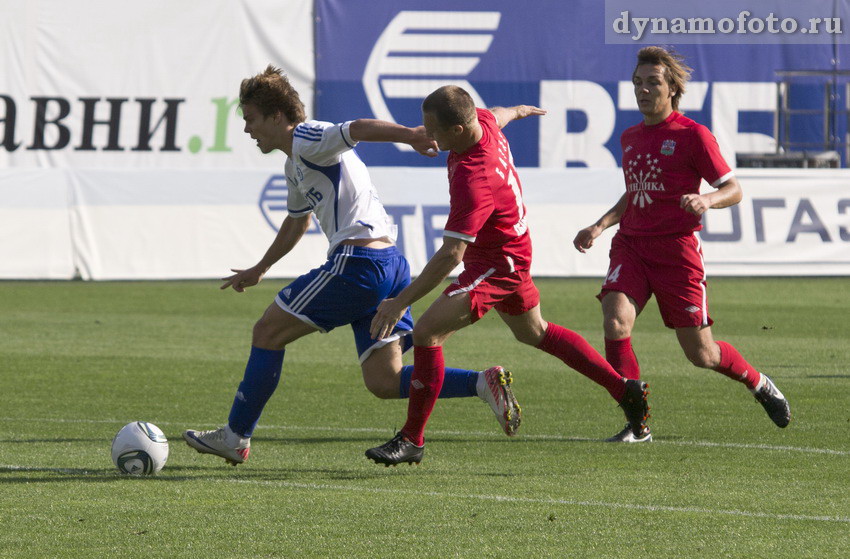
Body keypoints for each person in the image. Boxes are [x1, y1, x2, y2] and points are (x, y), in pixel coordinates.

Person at [183, 66, 522, 466]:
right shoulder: (294, 164)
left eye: (251, 119)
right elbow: (297, 222)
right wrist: (260, 267)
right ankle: (482, 383)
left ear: (277, 117)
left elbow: (357, 128)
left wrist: (411, 135)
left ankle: (235, 436)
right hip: (388, 263)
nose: (246, 130)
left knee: (267, 331)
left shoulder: (306, 136)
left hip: (358, 262)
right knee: (383, 380)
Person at [364, 85, 651, 467]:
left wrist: (400, 302)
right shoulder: (481, 122)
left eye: (433, 129)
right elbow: (498, 112)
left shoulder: (474, 177)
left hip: (495, 265)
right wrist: (518, 109)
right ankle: (625, 389)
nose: (427, 135)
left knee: (427, 331)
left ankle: (412, 439)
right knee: (535, 332)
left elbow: (451, 254)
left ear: (460, 130)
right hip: (514, 253)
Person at [572, 46, 791, 443]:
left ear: (672, 88)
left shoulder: (693, 136)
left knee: (701, 354)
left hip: (677, 251)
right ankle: (638, 424)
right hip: (633, 246)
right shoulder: (630, 137)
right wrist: (600, 225)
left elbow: (733, 188)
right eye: (637, 82)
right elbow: (635, 193)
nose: (642, 90)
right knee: (615, 320)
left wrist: (706, 199)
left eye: (652, 82)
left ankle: (758, 382)